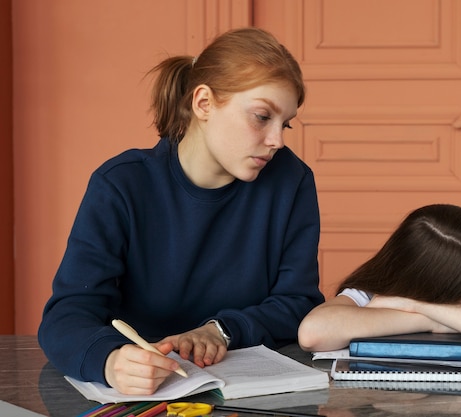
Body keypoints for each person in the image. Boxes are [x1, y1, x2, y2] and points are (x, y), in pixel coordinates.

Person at [38, 27, 324, 395]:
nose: (277, 141)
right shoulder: (120, 185)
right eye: (261, 116)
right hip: (145, 392)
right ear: (203, 103)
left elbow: (298, 302)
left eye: (284, 124)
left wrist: (222, 330)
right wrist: (109, 361)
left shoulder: (292, 180)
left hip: (250, 393)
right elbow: (66, 315)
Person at [298, 204, 461, 363]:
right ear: (434, 292)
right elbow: (312, 334)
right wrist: (429, 317)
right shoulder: (395, 280)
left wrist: (415, 306)